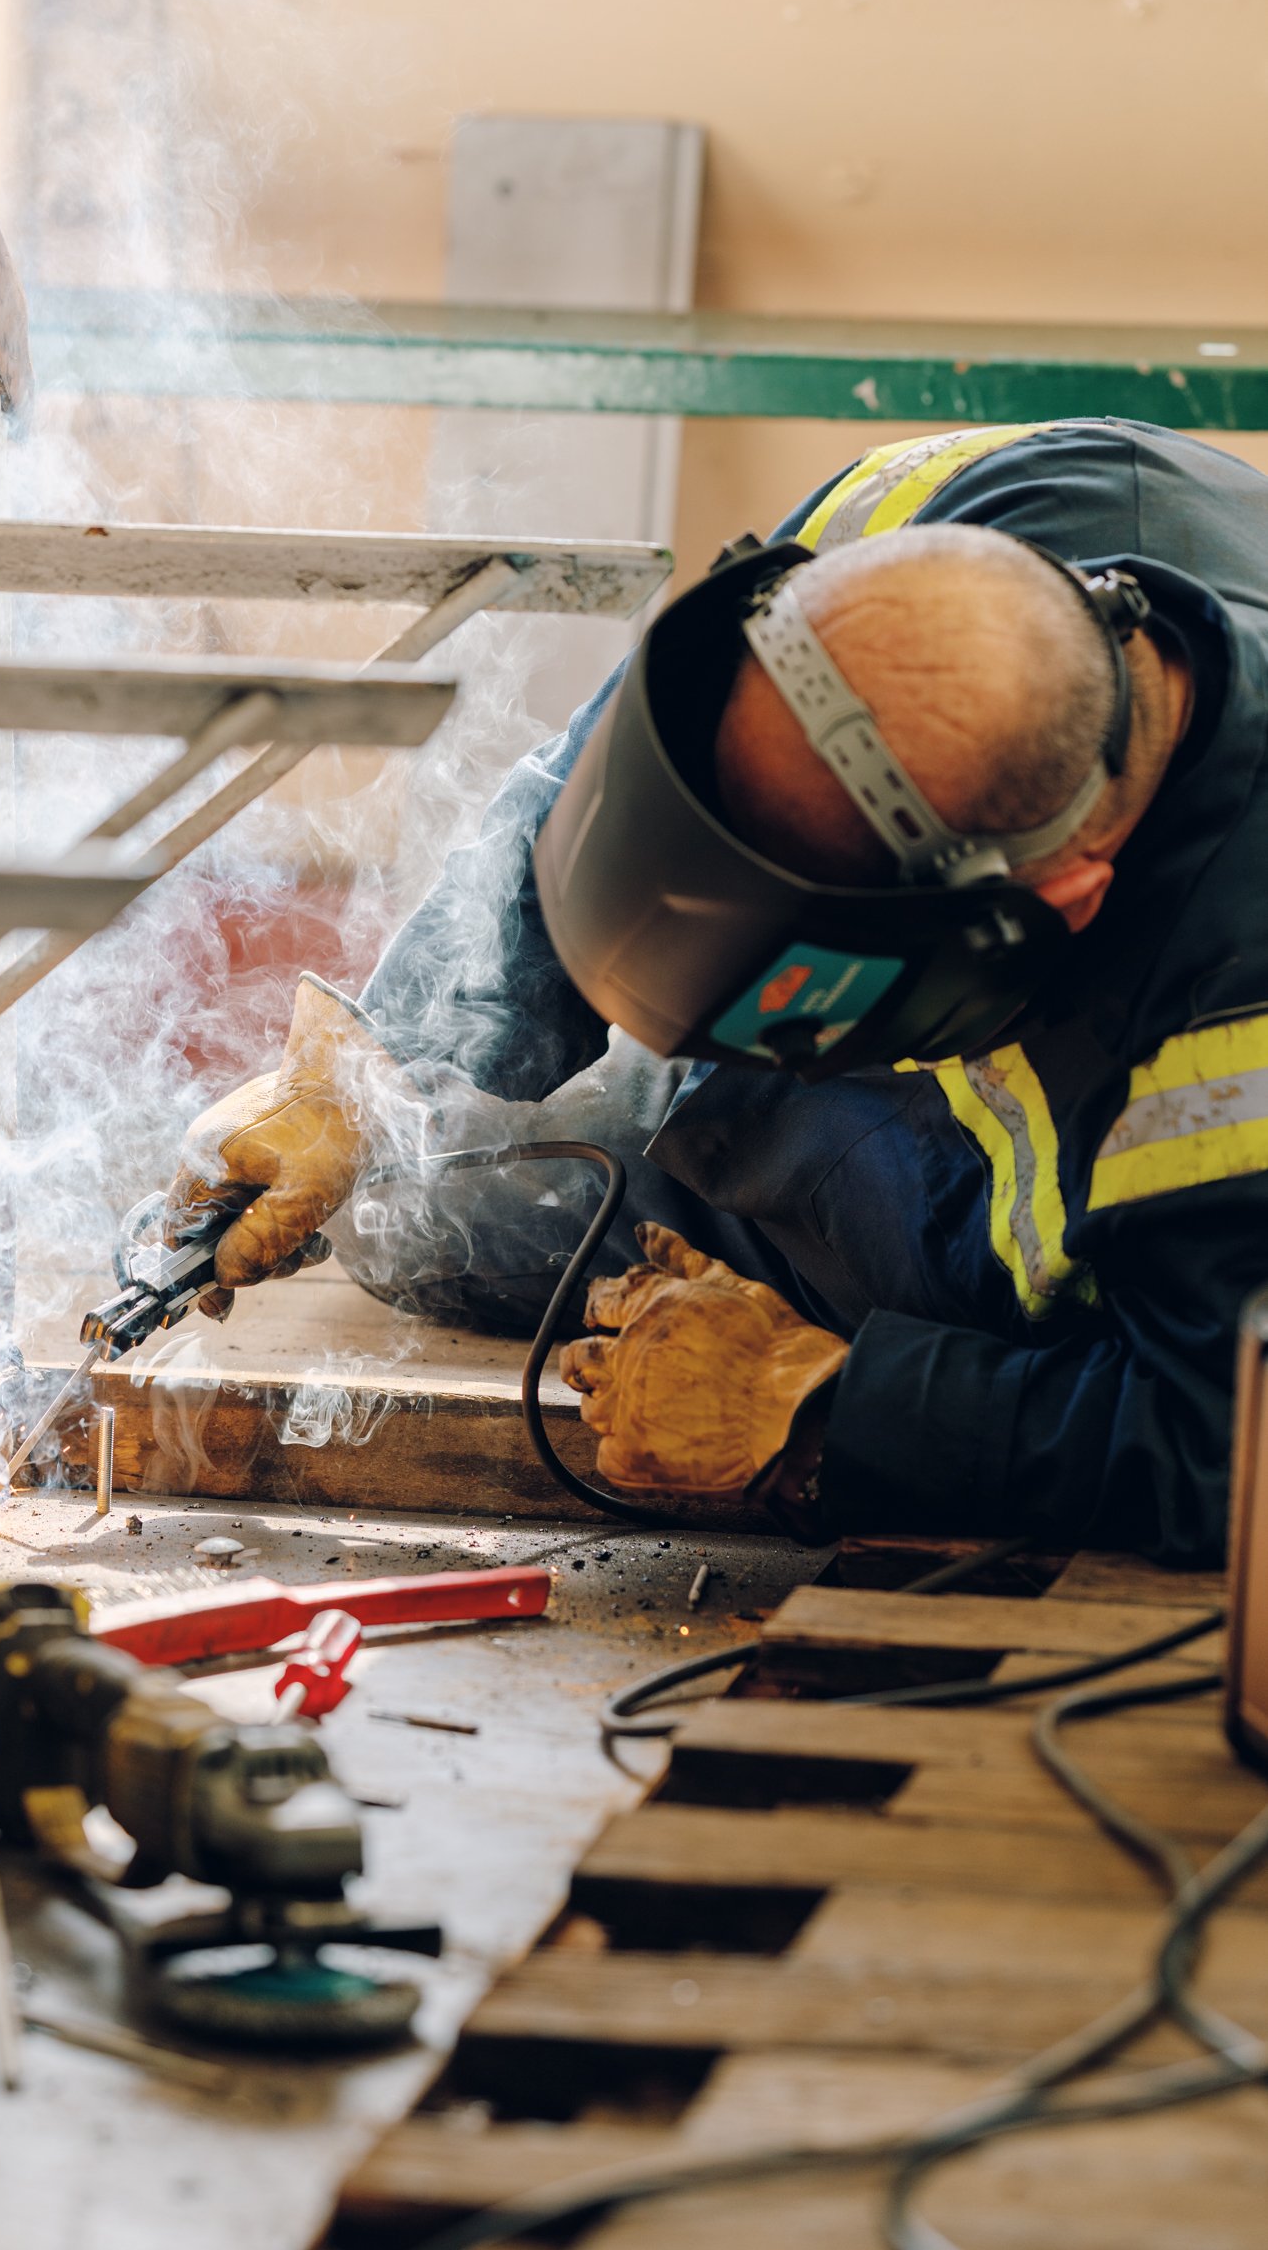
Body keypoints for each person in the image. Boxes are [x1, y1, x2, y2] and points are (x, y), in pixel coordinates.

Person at [164, 419, 1268, 1568]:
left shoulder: (1232, 1015)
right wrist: (370, 1067)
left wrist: (832, 1405)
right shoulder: (967, 501)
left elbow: (1215, 1443)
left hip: (1023, 1283)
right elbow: (648, 761)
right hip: (869, 1067)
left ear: (1058, 900)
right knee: (397, 1208)